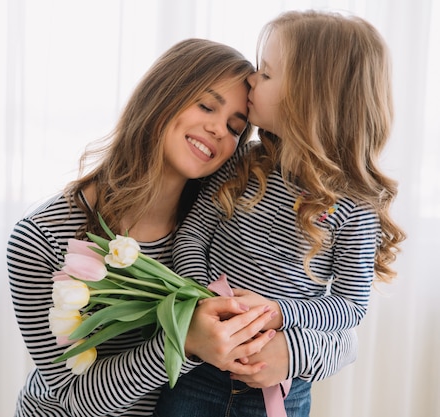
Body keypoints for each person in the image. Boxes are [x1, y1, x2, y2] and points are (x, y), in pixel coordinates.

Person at [6, 38, 279, 417]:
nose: (219, 130)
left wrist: (287, 353)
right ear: (162, 95)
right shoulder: (42, 237)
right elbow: (74, 399)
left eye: (236, 128)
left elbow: (341, 331)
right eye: (205, 105)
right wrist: (184, 340)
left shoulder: (220, 230)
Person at [154, 10, 406, 417]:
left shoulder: (357, 207)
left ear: (310, 98)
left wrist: (278, 314)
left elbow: (349, 306)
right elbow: (193, 236)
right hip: (195, 374)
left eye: (266, 74)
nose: (251, 79)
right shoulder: (243, 164)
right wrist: (200, 302)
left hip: (276, 386)